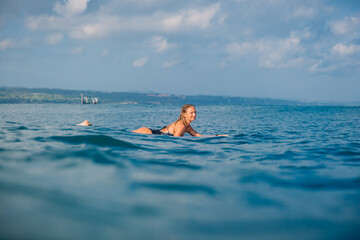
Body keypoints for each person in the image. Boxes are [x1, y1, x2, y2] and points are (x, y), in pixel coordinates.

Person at [132, 104, 228, 137]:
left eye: (195, 112)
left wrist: (216, 136)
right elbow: (175, 141)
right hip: (148, 133)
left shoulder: (187, 127)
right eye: (191, 113)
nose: (194, 114)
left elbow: (199, 136)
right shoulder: (181, 125)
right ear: (184, 114)